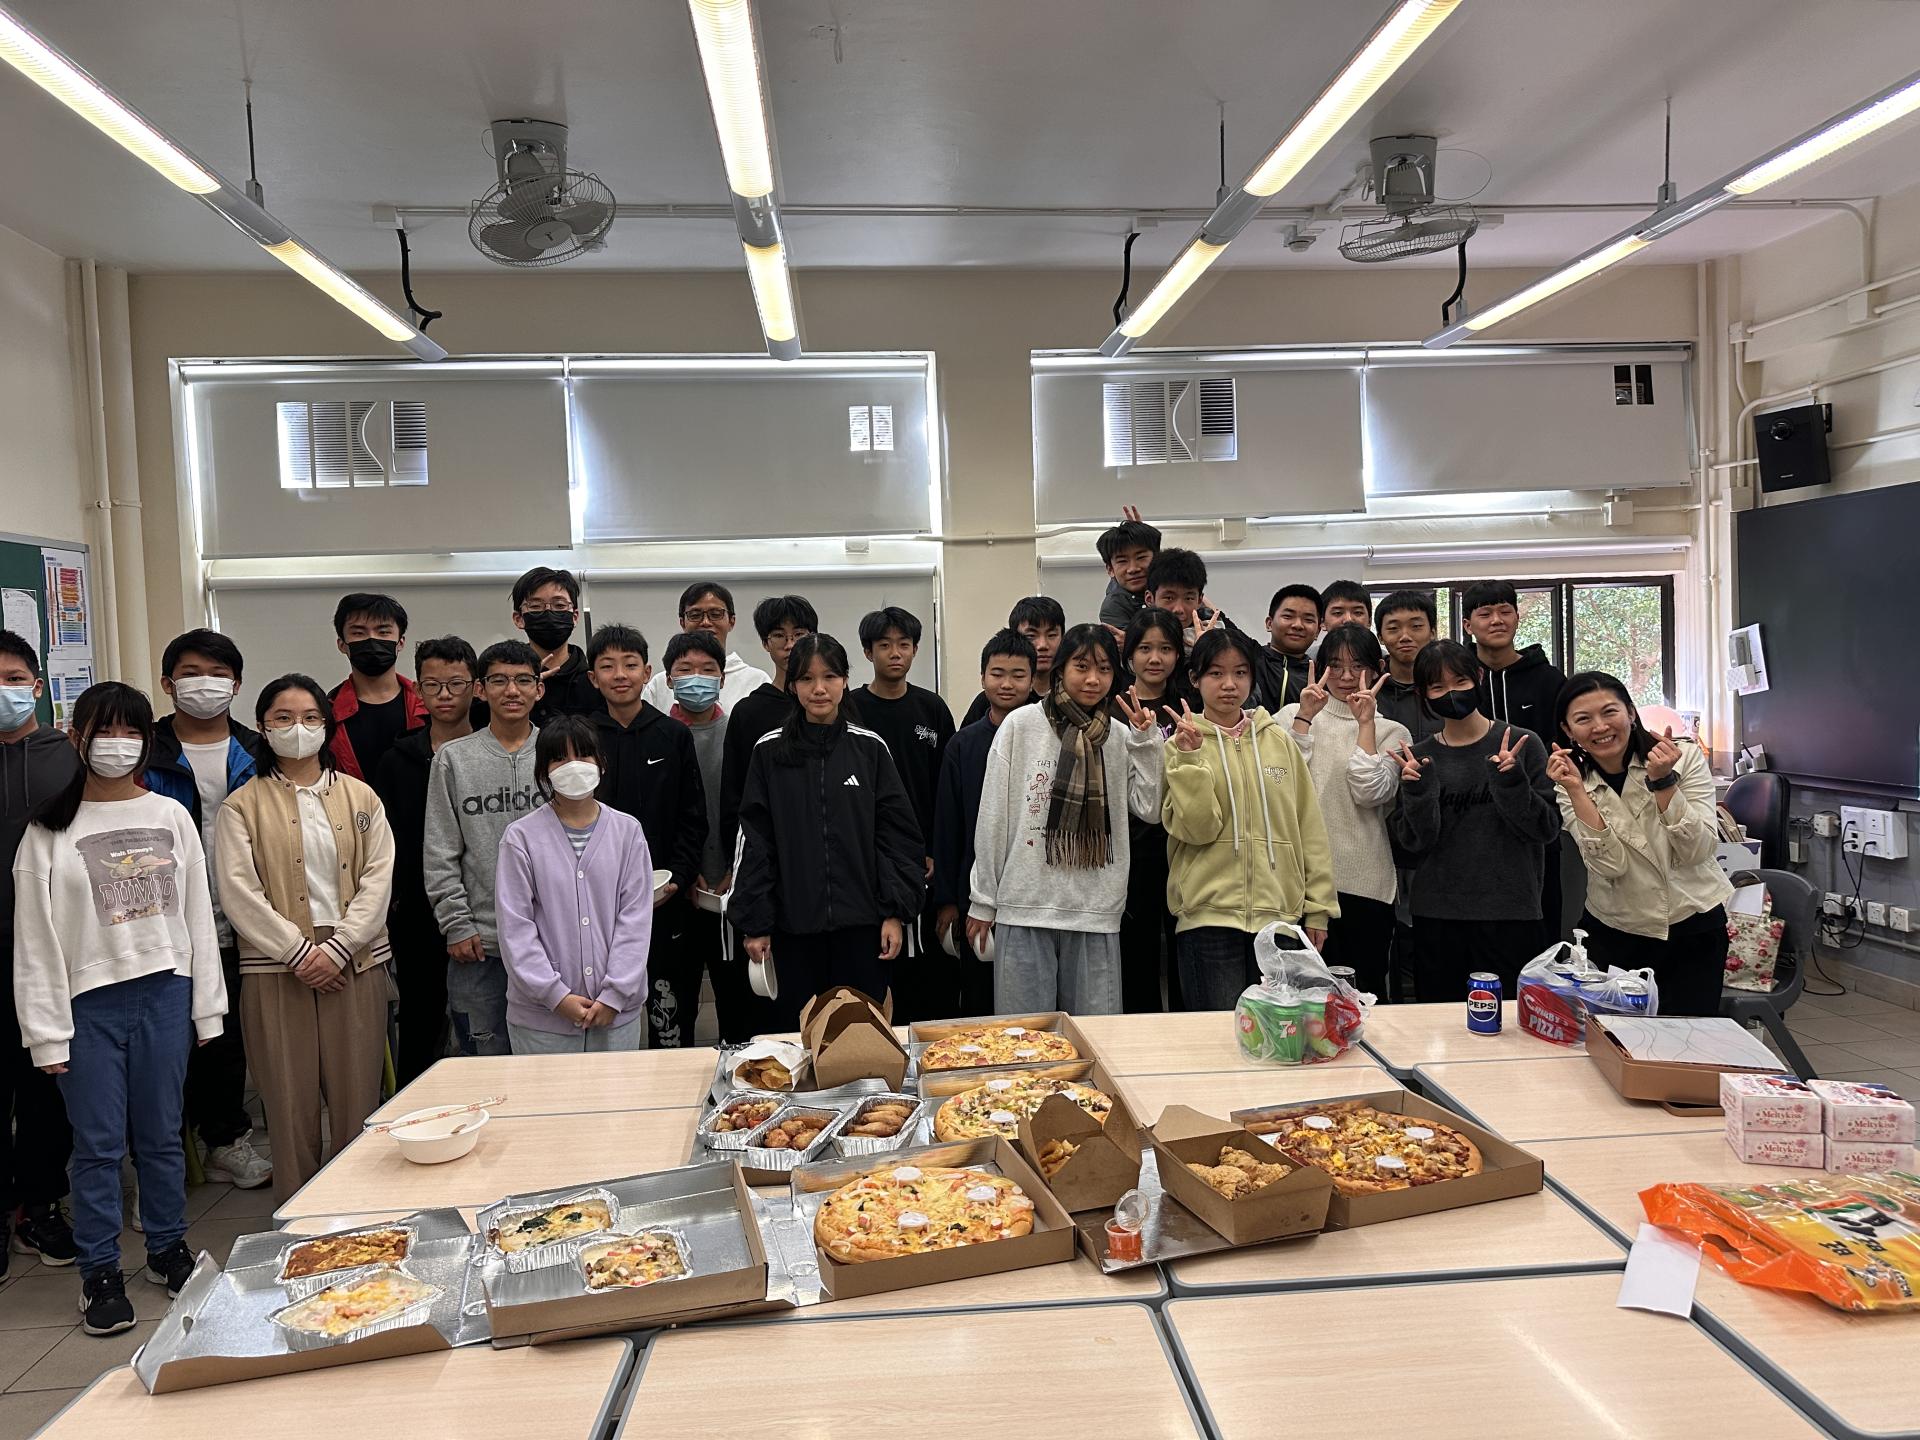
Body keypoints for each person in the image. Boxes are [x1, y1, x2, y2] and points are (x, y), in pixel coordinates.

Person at [12, 683, 226, 1336]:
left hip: (165, 993)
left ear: (146, 741)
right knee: (99, 1147)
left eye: (131, 731)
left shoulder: (170, 815)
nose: (118, 744)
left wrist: (207, 1009)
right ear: (76, 738)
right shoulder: (48, 829)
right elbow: (35, 940)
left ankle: (167, 1249)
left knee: (161, 1136)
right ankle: (100, 1272)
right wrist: (46, 1035)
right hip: (88, 1009)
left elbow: (197, 916)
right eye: (103, 731)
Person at [214, 675, 395, 1207]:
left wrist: (339, 947)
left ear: (327, 725)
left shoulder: (361, 796)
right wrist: (297, 952)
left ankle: (358, 1213)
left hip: (353, 960)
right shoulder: (241, 806)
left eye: (311, 717)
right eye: (283, 718)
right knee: (288, 1104)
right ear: (263, 727)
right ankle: (300, 1218)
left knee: (356, 1099)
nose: (298, 728)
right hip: (276, 967)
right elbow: (238, 891)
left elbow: (379, 878)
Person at [969, 625, 1165, 1015]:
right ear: (1060, 669)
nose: (1093, 679)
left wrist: (1147, 743)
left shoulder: (1121, 737)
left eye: (1104, 669)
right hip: (1025, 905)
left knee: (1096, 1038)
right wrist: (983, 899)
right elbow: (993, 816)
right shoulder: (1020, 725)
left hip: (1096, 910)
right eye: (1081, 666)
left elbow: (1149, 808)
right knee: (1024, 1036)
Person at [732, 635, 924, 1029]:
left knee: (863, 1035)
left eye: (830, 677)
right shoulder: (769, 752)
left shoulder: (870, 749)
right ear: (793, 686)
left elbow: (897, 837)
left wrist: (894, 913)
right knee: (798, 1037)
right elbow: (754, 842)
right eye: (807, 679)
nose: (819, 688)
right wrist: (756, 922)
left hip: (864, 929)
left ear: (845, 681)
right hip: (793, 929)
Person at [143, 629, 269, 1193]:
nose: (205, 685)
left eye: (218, 675)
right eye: (191, 673)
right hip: (163, 918)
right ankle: (163, 1158)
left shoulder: (258, 749)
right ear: (167, 683)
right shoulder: (145, 750)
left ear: (237, 685)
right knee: (165, 1044)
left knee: (227, 1037)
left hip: (241, 915)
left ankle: (225, 1141)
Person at [1164, 628, 1336, 1010]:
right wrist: (1190, 759)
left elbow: (1309, 827)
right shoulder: (1180, 745)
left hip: (1279, 920)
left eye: (1240, 673)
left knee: (1281, 1034)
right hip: (1208, 919)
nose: (1229, 684)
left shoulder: (1279, 741)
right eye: (1216, 673)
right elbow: (1197, 830)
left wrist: (1319, 909)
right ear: (1195, 679)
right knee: (1216, 1036)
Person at [1549, 673, 1732, 1017]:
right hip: (1613, 928)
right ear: (1568, 730)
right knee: (1612, 1038)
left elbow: (1698, 850)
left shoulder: (1684, 758)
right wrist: (1576, 790)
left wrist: (1663, 782)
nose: (1600, 727)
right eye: (1583, 719)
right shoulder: (1570, 781)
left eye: (1609, 712)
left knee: (1684, 1038)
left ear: (1631, 713)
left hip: (1690, 926)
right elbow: (1609, 865)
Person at [1388, 640, 1560, 1001]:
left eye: (1460, 682)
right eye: (1437, 687)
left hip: (1510, 912)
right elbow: (1413, 845)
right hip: (1437, 915)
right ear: (1423, 694)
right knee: (1438, 1022)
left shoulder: (1522, 744)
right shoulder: (1418, 758)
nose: (1451, 693)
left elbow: (1545, 829)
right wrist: (1417, 793)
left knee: (1507, 1022)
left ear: (1478, 678)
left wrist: (1512, 783)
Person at [497, 716, 653, 1053]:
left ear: (601, 763)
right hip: (541, 1021)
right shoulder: (520, 838)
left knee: (616, 1090)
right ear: (544, 771)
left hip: (615, 1016)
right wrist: (556, 996)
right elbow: (515, 928)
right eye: (559, 759)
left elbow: (636, 921)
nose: (573, 766)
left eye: (583, 755)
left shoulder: (628, 832)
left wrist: (614, 995)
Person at [586, 624, 706, 1048]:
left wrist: (679, 877)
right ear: (593, 677)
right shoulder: (581, 737)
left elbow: (693, 816)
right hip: (595, 903)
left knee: (669, 1012)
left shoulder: (672, 735)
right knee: (601, 1011)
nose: (620, 674)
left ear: (647, 672)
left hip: (664, 900)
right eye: (608, 666)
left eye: (630, 665)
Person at [423, 641, 546, 1056]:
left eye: (523, 680)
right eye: (499, 680)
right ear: (480, 689)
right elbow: (440, 849)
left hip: (552, 941)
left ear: (539, 689)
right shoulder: (453, 759)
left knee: (550, 1065)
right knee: (483, 1063)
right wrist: (456, 923)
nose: (511, 690)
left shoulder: (559, 752)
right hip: (478, 945)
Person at [0, 630, 77, 1274]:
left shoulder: (68, 758)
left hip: (52, 951)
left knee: (46, 1086)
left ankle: (41, 1205)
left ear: (38, 685)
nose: (4, 690)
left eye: (13, 678)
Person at [1278, 626, 1410, 998]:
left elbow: (1370, 793)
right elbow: (1279, 783)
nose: (1347, 677)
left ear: (1379, 668)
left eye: (1358, 666)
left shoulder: (1391, 730)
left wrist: (1365, 723)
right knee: (1297, 1000)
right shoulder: (1289, 716)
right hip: (1298, 883)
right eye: (1335, 666)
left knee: (1360, 997)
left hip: (1365, 882)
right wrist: (1305, 717)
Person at [373, 636, 480, 1085]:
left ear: (475, 687)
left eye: (456, 683)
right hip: (418, 916)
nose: (445, 695)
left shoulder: (495, 752)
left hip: (486, 912)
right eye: (433, 685)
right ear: (418, 689)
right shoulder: (396, 761)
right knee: (420, 1024)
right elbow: (384, 843)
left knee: (485, 1028)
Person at [847, 606, 953, 1021]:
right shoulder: (851, 708)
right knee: (874, 969)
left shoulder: (932, 709)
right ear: (867, 652)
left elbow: (945, 788)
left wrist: (933, 849)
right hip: (867, 860)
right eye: (884, 645)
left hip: (923, 859)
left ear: (914, 650)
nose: (895, 653)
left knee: (926, 974)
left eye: (904, 645)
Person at [930, 630, 1035, 1015]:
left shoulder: (1049, 737)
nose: (1007, 684)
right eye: (997, 673)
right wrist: (948, 900)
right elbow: (949, 827)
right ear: (982, 677)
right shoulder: (963, 744)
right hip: (974, 897)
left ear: (1033, 679)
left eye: (1018, 675)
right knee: (979, 1000)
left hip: (1032, 897)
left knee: (1030, 1004)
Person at [659, 630, 757, 1044]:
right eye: (685, 670)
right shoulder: (658, 736)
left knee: (737, 1004)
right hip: (674, 891)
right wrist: (682, 870)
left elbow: (753, 812)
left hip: (730, 890)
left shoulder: (740, 734)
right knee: (673, 1007)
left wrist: (736, 869)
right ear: (668, 678)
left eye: (707, 669)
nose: (696, 678)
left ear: (722, 678)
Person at [1463, 580, 1567, 941]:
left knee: (1539, 928)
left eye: (1505, 611)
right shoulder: (1459, 681)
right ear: (1468, 625)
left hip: (1537, 822)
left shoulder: (1549, 680)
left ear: (1517, 618)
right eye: (1485, 613)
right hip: (1472, 824)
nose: (1497, 620)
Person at [1118, 608, 1188, 1012]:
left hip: (1184, 845)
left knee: (1183, 945)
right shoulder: (1113, 707)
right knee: (1137, 951)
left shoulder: (1189, 705)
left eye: (1165, 648)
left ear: (1179, 654)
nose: (1155, 658)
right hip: (1131, 848)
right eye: (1145, 648)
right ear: (1130, 655)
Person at [718, 594, 817, 870]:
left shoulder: (831, 706)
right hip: (766, 852)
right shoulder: (749, 712)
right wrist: (734, 860)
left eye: (799, 634)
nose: (790, 644)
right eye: (779, 636)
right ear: (765, 643)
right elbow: (734, 793)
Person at [328, 593, 427, 783]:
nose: (372, 640)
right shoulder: (327, 714)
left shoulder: (428, 705)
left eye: (383, 632)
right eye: (359, 633)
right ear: (341, 644)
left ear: (401, 642)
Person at [639, 581, 772, 714]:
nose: (706, 622)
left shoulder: (756, 681)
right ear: (682, 622)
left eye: (716, 614)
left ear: (731, 621)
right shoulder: (660, 684)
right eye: (695, 615)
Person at [513, 566, 600, 723]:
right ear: (519, 619)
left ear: (574, 617)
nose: (548, 612)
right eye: (535, 606)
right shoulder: (506, 682)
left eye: (559, 605)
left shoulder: (595, 680)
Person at [960, 596, 1063, 727]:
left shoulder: (1072, 696)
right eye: (1031, 636)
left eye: (1052, 635)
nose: (1042, 645)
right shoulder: (991, 701)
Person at [1373, 590, 1442, 743]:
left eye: (1416, 626)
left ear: (1432, 632)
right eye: (1393, 628)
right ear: (1380, 637)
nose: (1405, 636)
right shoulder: (1370, 689)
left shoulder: (1448, 685)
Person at [1098, 510, 1162, 631]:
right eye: (1122, 561)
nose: (1133, 569)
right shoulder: (1113, 607)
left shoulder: (1170, 584)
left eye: (1141, 557)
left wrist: (1141, 534)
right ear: (1110, 569)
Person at [1263, 584, 1323, 708]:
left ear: (1317, 631)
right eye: (1288, 617)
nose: (1298, 625)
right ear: (1269, 623)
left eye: (1308, 620)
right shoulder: (1249, 661)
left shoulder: (1321, 675)